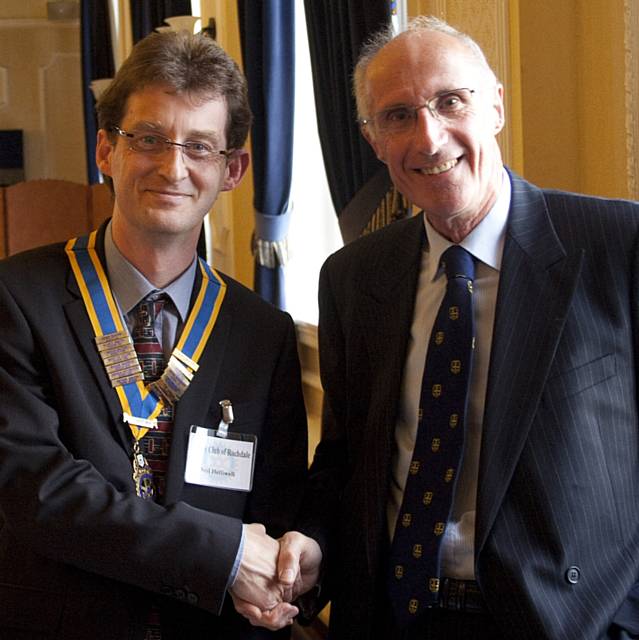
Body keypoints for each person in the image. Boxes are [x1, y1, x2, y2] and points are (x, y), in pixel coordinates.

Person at [267, 14, 639, 640]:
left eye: (449, 102)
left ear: (494, 105)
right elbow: (345, 460)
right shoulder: (352, 278)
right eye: (398, 115)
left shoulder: (616, 247)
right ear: (372, 139)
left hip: (566, 622)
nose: (430, 138)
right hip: (394, 615)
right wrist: (312, 544)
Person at [0, 30, 309, 639]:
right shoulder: (16, 298)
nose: (173, 167)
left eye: (200, 147)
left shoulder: (262, 332)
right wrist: (221, 554)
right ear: (105, 151)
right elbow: (39, 491)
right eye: (148, 139)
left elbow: (278, 508)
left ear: (233, 170)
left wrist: (292, 570)